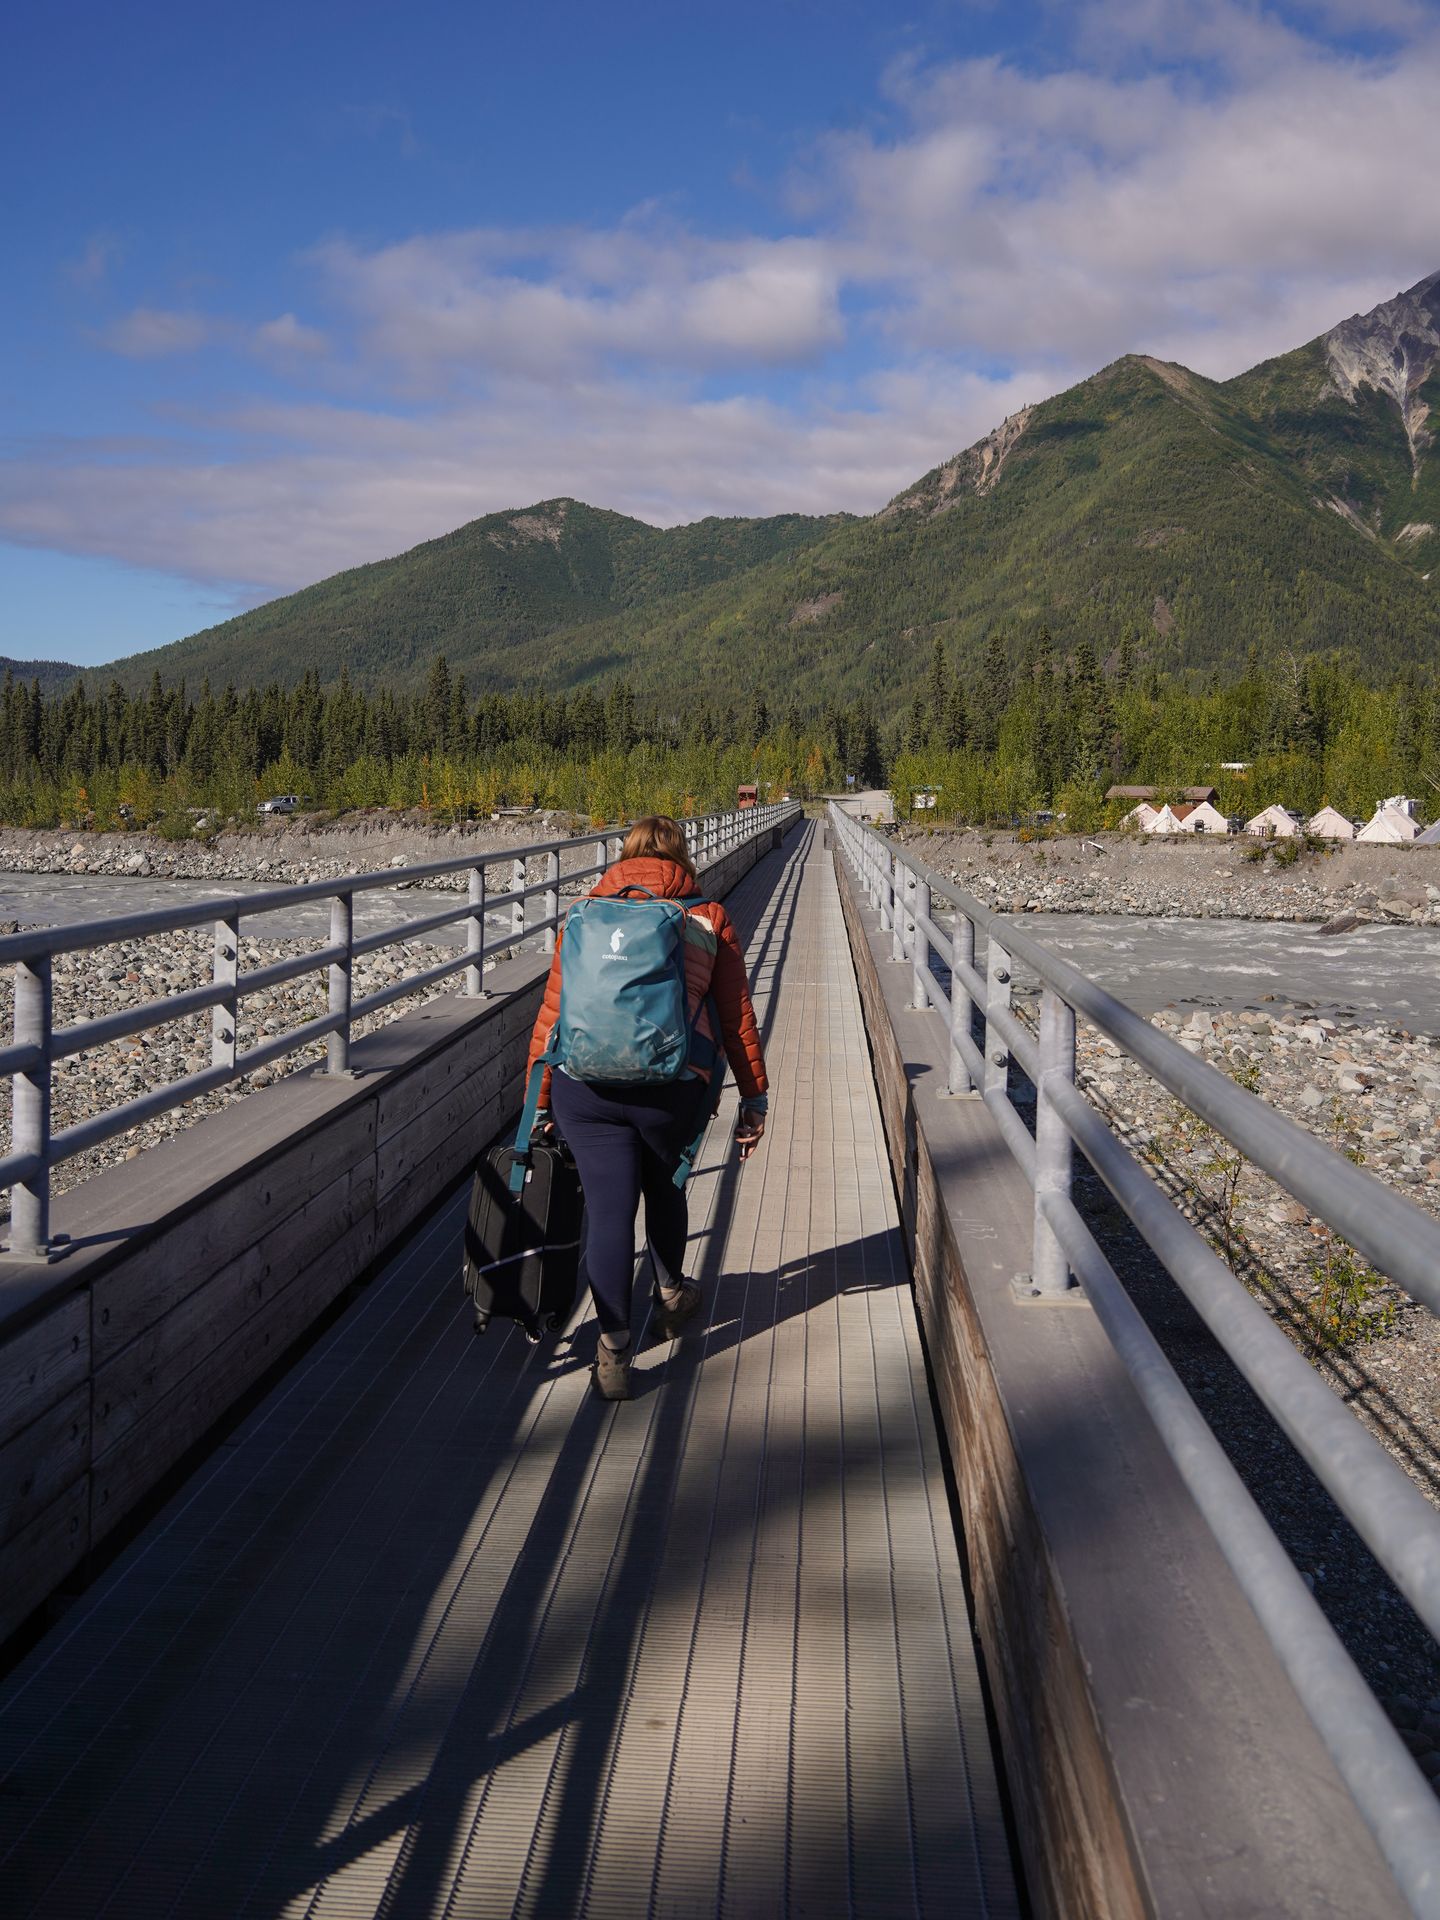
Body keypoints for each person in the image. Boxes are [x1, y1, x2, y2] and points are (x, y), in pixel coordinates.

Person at [525, 814, 768, 1401]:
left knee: (609, 1215)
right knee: (664, 1188)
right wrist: (753, 1098)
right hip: (671, 1088)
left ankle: (612, 1350)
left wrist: (538, 1100)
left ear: (622, 858)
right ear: (682, 860)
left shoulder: (584, 914)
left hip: (586, 1089)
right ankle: (670, 1295)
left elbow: (554, 1013)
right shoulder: (706, 918)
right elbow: (735, 1019)